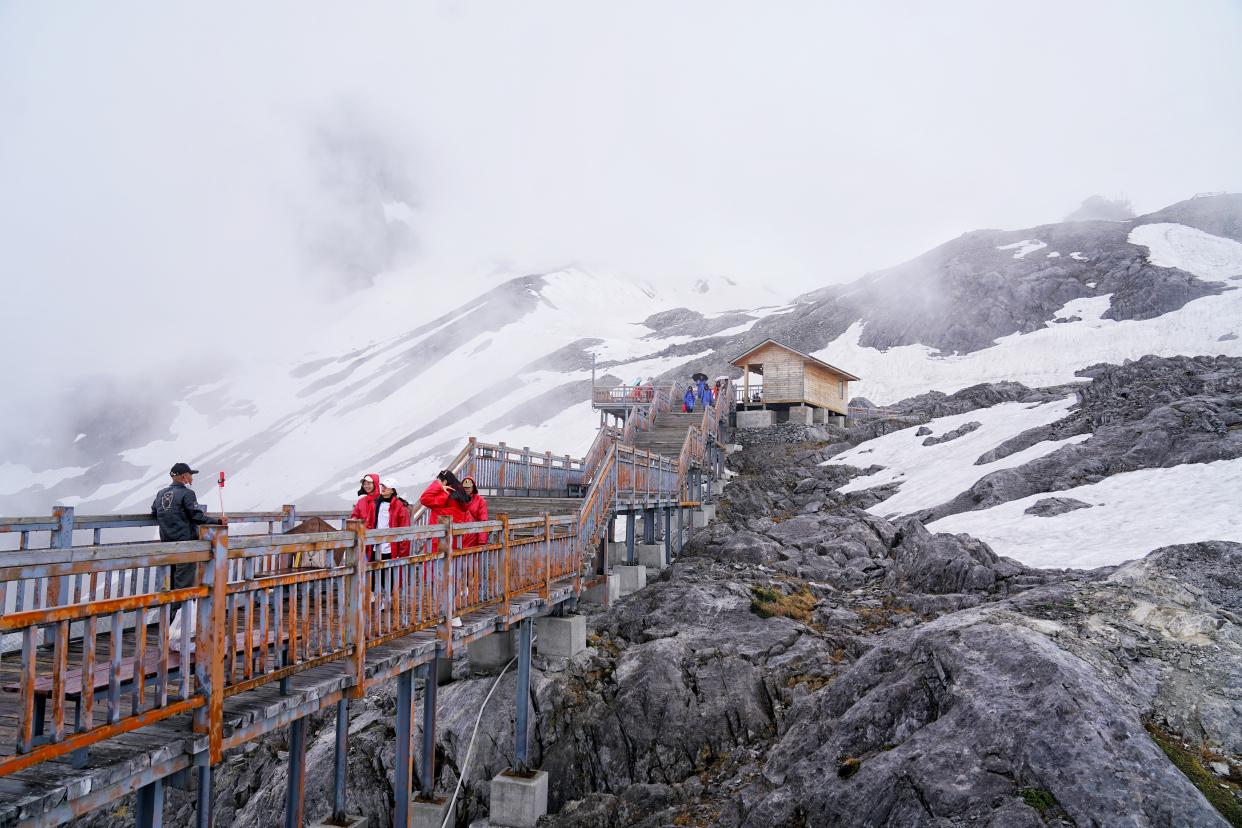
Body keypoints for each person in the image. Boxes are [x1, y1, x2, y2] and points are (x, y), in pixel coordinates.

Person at [152, 462, 227, 590]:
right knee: (183, 585)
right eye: (190, 475)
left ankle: (169, 609)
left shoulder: (161, 493)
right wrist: (218, 522)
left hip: (166, 543)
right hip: (185, 545)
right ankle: (179, 609)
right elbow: (196, 516)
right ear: (184, 476)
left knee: (168, 584)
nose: (192, 478)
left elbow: (154, 512)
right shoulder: (187, 494)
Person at [419, 470, 472, 554]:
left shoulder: (445, 495)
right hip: (455, 538)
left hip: (438, 539)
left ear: (445, 482)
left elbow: (424, 499)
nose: (437, 483)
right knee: (452, 564)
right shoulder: (460, 496)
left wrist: (439, 487)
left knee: (435, 565)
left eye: (439, 481)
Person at [375, 478, 412, 559]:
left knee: (389, 571)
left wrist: (402, 554)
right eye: (383, 486)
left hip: (390, 550)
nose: (383, 488)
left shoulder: (400, 506)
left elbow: (405, 531)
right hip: (375, 546)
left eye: (386, 487)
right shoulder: (377, 502)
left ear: (393, 490)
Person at [459, 476, 489, 547]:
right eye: (464, 487)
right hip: (459, 536)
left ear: (473, 488)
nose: (466, 489)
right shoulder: (458, 499)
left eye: (468, 487)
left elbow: (483, 520)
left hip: (473, 536)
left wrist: (482, 541)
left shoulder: (480, 500)